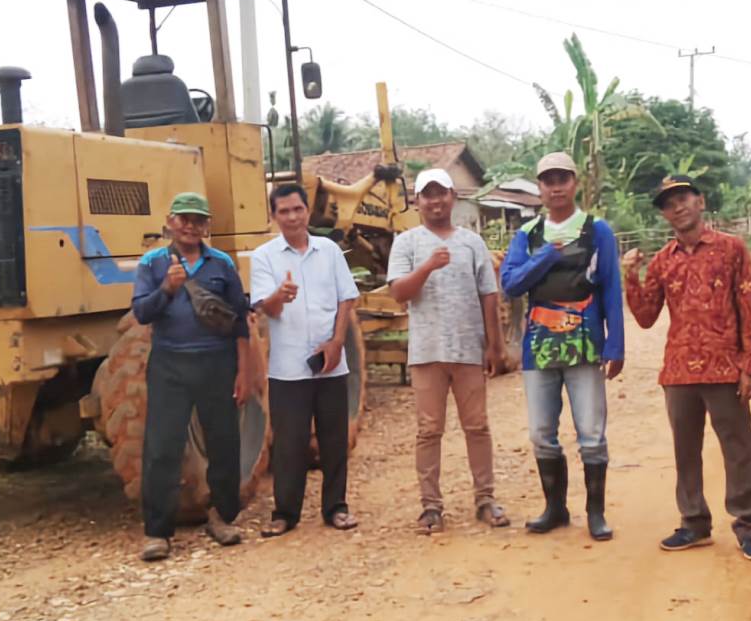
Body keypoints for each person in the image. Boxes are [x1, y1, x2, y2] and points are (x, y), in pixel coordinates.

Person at [622, 175, 751, 561]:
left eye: (684, 198)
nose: (678, 207)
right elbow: (645, 317)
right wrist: (630, 276)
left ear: (700, 202)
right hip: (679, 372)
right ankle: (694, 522)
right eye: (669, 203)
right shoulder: (662, 261)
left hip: (724, 367)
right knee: (685, 449)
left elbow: (748, 308)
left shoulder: (731, 250)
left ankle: (747, 527)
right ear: (665, 215)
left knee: (738, 447)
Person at [500, 152, 624, 541]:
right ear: (539, 188)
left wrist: (615, 344)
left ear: (575, 184)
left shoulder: (596, 230)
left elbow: (610, 287)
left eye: (563, 179)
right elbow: (511, 283)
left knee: (591, 430)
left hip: (585, 343)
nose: (556, 187)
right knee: (540, 431)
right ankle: (555, 508)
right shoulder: (529, 235)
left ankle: (595, 513)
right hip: (538, 346)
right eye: (548, 180)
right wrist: (545, 257)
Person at [387, 168, 511, 535]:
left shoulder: (472, 243)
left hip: (468, 350)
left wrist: (495, 344)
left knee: (477, 426)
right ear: (417, 201)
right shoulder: (406, 243)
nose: (436, 201)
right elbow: (399, 293)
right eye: (428, 195)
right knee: (428, 431)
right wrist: (428, 266)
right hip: (427, 352)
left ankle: (485, 499)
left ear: (453, 197)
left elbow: (489, 295)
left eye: (442, 193)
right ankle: (431, 507)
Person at [131, 192, 251, 562]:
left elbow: (240, 319)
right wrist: (167, 288)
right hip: (170, 365)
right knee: (162, 448)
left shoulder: (222, 264)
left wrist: (245, 370)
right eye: (183, 219)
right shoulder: (152, 263)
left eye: (198, 220)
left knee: (224, 444)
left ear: (207, 226)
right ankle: (157, 532)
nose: (190, 226)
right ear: (170, 221)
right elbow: (141, 313)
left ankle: (222, 517)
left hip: (217, 363)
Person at [251, 184, 361, 536]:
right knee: (289, 443)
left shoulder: (328, 250)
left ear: (306, 211)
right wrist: (278, 297)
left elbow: (347, 298)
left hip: (331, 363)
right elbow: (263, 308)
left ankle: (336, 508)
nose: (293, 216)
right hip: (288, 369)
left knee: (334, 441)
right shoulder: (264, 256)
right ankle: (285, 513)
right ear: (274, 216)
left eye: (298, 209)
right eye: (284, 211)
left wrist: (338, 341)